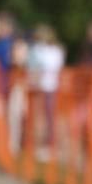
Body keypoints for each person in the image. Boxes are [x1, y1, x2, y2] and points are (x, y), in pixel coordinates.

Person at [27, 24, 65, 158]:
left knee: (50, 115)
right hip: (39, 87)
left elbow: (53, 66)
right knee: (39, 115)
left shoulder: (56, 51)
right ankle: (39, 142)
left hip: (50, 87)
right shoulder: (39, 50)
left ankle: (50, 143)